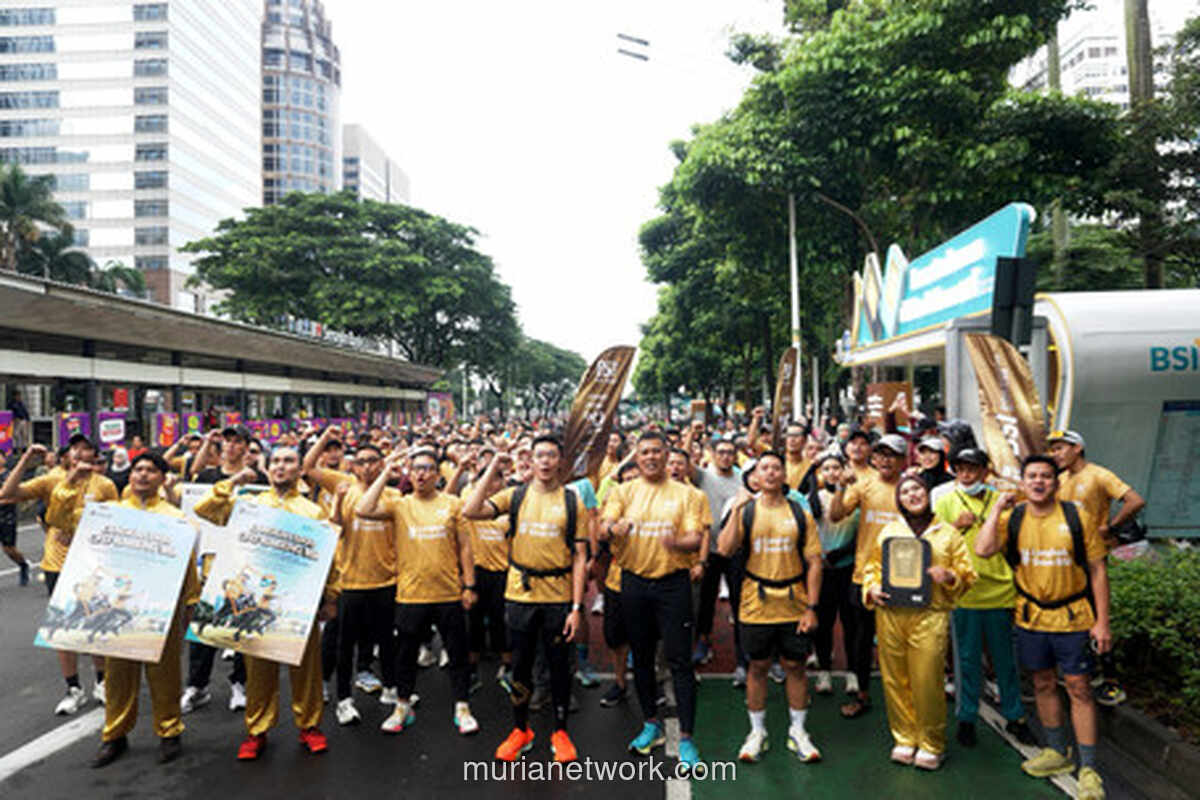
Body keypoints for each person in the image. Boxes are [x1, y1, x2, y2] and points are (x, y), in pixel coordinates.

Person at [45, 452, 201, 768]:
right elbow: (59, 519)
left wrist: (190, 605)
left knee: (165, 673)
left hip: (160, 608)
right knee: (117, 676)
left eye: (150, 470)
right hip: (116, 606)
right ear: (129, 476)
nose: (142, 475)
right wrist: (69, 484)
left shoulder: (176, 518)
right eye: (137, 469)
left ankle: (169, 731)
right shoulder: (108, 514)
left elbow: (187, 567)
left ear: (162, 478)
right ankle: (114, 735)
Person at [975, 454, 1110, 800]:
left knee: (1079, 687)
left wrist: (1102, 623)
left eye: (1046, 476)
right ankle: (1056, 752)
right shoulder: (1013, 518)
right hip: (1031, 616)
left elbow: (1097, 569)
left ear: (1056, 482)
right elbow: (983, 548)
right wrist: (995, 509)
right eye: (1031, 476)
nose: (1038, 482)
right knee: (1042, 682)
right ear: (1022, 482)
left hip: (1074, 616)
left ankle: (1090, 767)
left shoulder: (1076, 516)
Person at [193, 445, 340, 761]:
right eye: (275, 461)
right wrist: (233, 481)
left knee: (306, 668)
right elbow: (205, 509)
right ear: (266, 468)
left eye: (288, 461)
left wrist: (331, 596)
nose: (280, 467)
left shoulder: (313, 511)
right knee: (257, 668)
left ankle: (310, 725)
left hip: (299, 603)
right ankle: (257, 730)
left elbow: (328, 558)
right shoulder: (250, 505)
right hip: (255, 602)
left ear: (299, 469)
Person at [463, 436, 588, 763]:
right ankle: (521, 729)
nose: (545, 462)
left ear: (560, 461)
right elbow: (471, 510)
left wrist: (576, 608)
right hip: (519, 594)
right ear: (530, 461)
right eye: (539, 456)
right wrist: (494, 465)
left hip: (558, 597)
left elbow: (579, 557)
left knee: (560, 668)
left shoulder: (573, 502)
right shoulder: (514, 496)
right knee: (520, 667)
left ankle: (560, 731)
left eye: (551, 455)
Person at [355, 447, 480, 737]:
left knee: (458, 654)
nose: (421, 473)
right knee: (405, 656)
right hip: (411, 595)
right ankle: (402, 705)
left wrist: (470, 585)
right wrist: (387, 471)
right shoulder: (400, 504)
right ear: (409, 474)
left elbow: (465, 547)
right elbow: (363, 508)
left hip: (449, 593)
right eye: (415, 469)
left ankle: (462, 706)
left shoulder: (452, 503)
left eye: (427, 468)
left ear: (438, 474)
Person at [598, 431, 704, 769]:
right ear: (636, 457)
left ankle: (687, 737)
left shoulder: (689, 494)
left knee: (680, 661)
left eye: (657, 451)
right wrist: (613, 529)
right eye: (644, 452)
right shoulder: (621, 492)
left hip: (673, 585)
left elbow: (695, 538)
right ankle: (650, 724)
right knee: (641, 658)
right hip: (633, 584)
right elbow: (603, 527)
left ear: (667, 455)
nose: (651, 457)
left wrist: (678, 543)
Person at [862, 475, 975, 770]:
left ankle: (931, 743)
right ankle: (904, 737)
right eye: (906, 491)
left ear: (928, 493)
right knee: (894, 679)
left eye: (917, 489)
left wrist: (949, 576)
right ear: (898, 499)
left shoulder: (948, 533)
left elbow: (967, 574)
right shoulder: (889, 531)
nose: (912, 495)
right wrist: (871, 589)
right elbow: (872, 569)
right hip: (890, 613)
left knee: (926, 680)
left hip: (930, 615)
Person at [718, 452, 823, 764]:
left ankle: (799, 730)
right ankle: (757, 731)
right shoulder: (746, 510)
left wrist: (812, 607)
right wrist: (737, 507)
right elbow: (724, 548)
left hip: (794, 602)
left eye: (776, 468)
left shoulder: (799, 513)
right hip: (755, 602)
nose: (771, 473)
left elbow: (815, 562)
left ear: (784, 474)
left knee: (795, 666)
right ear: (755, 476)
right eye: (764, 468)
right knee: (758, 667)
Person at [0, 437, 116, 714]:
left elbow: (116, 523)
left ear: (94, 456)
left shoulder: (105, 485)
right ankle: (73, 687)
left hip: (93, 565)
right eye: (74, 450)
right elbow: (7, 492)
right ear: (66, 457)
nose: (80, 455)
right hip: (58, 564)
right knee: (64, 629)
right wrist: (27, 460)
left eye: (86, 450)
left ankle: (102, 682)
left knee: (94, 624)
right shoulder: (53, 480)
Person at [932, 448, 1034, 747]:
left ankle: (1016, 717)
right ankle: (966, 718)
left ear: (985, 472)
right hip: (965, 593)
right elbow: (934, 542)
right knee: (967, 660)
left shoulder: (1004, 501)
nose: (966, 474)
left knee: (1005, 660)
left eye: (973, 469)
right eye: (961, 468)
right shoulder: (947, 501)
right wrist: (957, 526)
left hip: (1001, 592)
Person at [303, 428, 399, 725]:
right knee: (344, 644)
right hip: (350, 581)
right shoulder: (342, 484)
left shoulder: (394, 494)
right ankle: (344, 699)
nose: (367, 466)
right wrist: (324, 437)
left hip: (386, 580)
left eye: (373, 461)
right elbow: (308, 466)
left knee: (387, 641)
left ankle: (393, 689)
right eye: (361, 461)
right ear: (352, 465)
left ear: (382, 465)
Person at [1048, 429, 1144, 707]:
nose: (1056, 454)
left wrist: (1110, 527)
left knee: (1096, 616)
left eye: (1060, 448)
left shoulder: (1099, 475)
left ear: (1077, 448)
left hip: (1092, 557)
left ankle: (1111, 681)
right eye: (1053, 450)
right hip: (1065, 559)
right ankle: (1081, 673)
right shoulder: (1060, 479)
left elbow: (1135, 500)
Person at [182, 426, 267, 715]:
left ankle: (239, 683)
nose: (231, 446)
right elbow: (193, 501)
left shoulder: (259, 480)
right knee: (205, 626)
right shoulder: (207, 478)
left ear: (246, 447)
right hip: (210, 559)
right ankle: (197, 685)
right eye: (227, 441)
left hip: (244, 562)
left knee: (241, 623)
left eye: (237, 442)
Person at [828, 433, 906, 718]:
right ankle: (862, 695)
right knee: (861, 640)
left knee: (897, 642)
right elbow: (836, 516)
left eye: (893, 455)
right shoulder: (864, 485)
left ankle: (902, 700)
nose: (886, 460)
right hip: (864, 576)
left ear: (902, 460)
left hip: (901, 576)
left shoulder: (910, 487)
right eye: (881, 454)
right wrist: (839, 487)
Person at [689, 437, 745, 672]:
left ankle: (743, 652)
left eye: (730, 452)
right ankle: (703, 640)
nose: (725, 456)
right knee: (705, 600)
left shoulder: (743, 477)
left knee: (739, 601)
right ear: (712, 454)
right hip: (708, 550)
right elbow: (682, 462)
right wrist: (690, 434)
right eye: (721, 452)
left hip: (735, 550)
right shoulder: (704, 475)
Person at [808, 452, 859, 695]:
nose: (831, 473)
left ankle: (852, 673)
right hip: (822, 570)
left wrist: (841, 553)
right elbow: (811, 527)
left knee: (851, 624)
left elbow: (861, 533)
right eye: (826, 469)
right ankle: (824, 672)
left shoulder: (854, 496)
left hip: (847, 567)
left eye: (836, 467)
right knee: (823, 624)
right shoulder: (814, 498)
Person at [0, 455, 31, 586]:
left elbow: (18, 497)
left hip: (6, 516)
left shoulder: (9, 476)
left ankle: (23, 565)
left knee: (9, 549)